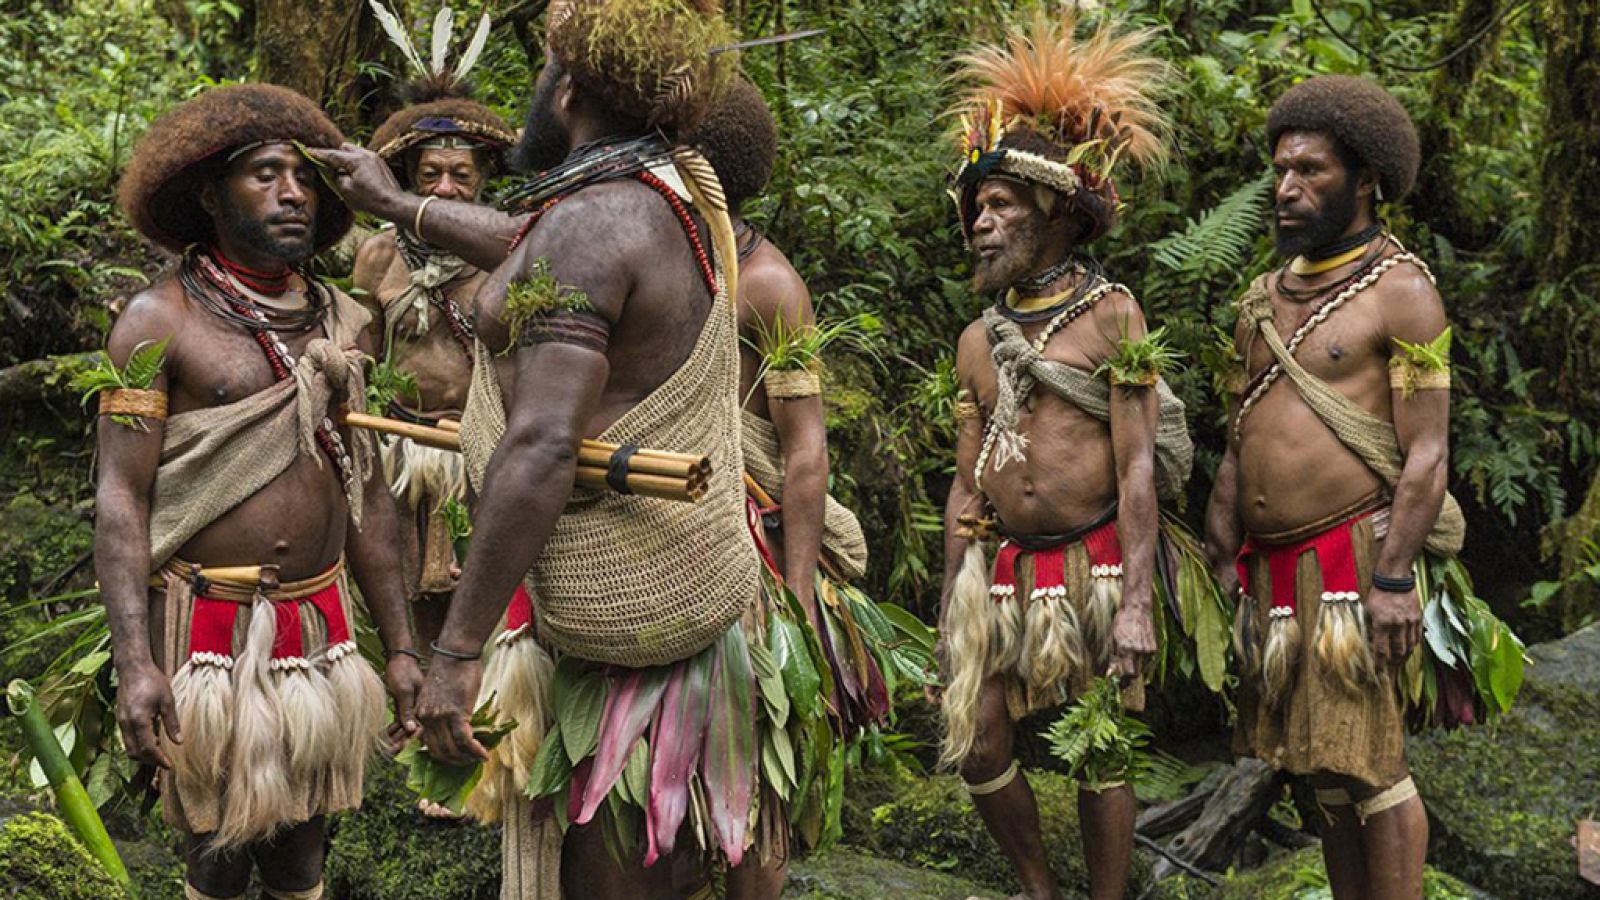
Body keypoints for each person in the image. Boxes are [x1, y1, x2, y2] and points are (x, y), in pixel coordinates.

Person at [313, 2, 828, 897]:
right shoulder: (670, 191)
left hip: (627, 610)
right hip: (685, 588)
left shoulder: (593, 224)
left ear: (572, 90)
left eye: (547, 69)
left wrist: (458, 652)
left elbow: (546, 445)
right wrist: (394, 205)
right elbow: (530, 244)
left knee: (610, 872)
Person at [101, 83, 422, 900]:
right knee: (215, 847)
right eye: (266, 174)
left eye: (305, 178)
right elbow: (120, 498)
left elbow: (370, 494)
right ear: (210, 195)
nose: (292, 193)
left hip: (320, 623)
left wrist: (405, 646)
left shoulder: (345, 323)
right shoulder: (157, 322)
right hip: (206, 626)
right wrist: (136, 661)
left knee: (302, 846)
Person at [936, 12, 1195, 900]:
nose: (980, 221)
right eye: (976, 207)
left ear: (1051, 209)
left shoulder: (1113, 315)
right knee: (976, 738)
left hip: (1091, 562)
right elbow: (965, 482)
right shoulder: (979, 338)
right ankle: (1040, 887)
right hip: (1002, 568)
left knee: (1101, 743)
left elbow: (1134, 468)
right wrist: (949, 605)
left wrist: (1135, 606)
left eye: (1000, 204)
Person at [1203, 75, 1457, 900]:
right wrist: (1221, 546)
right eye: (1281, 170)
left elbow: (1427, 454)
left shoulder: (1404, 293)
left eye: (1310, 170)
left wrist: (1391, 580)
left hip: (1355, 560)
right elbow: (1241, 437)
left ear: (1367, 178)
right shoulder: (1262, 300)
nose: (1286, 188)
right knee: (1324, 771)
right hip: (1275, 570)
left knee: (1375, 766)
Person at [686, 77, 891, 737]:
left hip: (738, 526)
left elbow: (804, 448)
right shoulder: (647, 256)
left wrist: (797, 597)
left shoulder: (768, 285)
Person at [351, 10, 517, 672]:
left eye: (462, 176)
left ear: (483, 181)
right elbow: (361, 356)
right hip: (398, 445)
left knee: (483, 591)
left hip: (480, 448)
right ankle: (413, 703)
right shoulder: (377, 257)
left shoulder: (510, 257)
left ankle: (483, 704)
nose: (446, 189)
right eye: (430, 176)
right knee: (403, 584)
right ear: (409, 180)